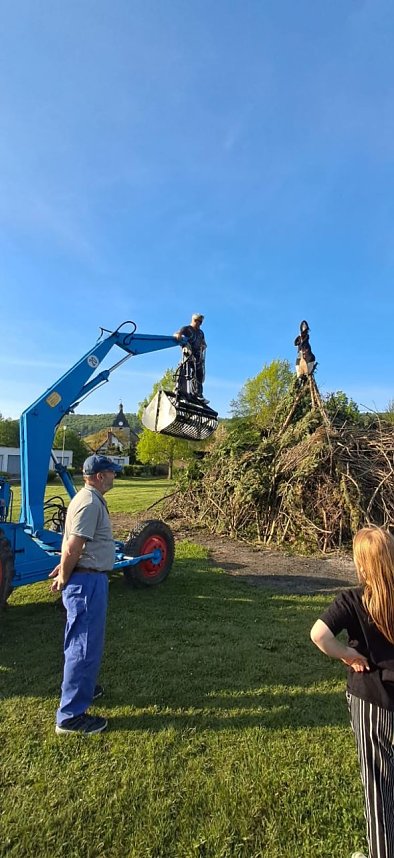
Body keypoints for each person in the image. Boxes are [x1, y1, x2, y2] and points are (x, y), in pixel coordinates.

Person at [310, 527, 394, 858]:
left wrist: (347, 653)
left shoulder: (352, 600)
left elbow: (319, 635)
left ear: (362, 564)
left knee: (378, 783)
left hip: (373, 702)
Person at [50, 454, 122, 735]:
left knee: (82, 644)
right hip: (87, 583)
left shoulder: (85, 499)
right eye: (112, 473)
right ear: (100, 476)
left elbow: (72, 546)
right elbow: (73, 547)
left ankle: (84, 689)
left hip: (87, 578)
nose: (115, 476)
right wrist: (65, 573)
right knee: (83, 646)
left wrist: (66, 566)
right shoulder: (90, 503)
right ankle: (70, 717)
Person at [173, 313, 208, 403]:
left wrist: (204, 345)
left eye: (201, 322)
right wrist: (178, 336)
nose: (200, 324)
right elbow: (177, 334)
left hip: (198, 355)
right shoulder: (187, 329)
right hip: (188, 354)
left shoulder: (200, 332)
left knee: (199, 374)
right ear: (194, 320)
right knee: (186, 371)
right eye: (199, 321)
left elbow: (203, 342)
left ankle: (198, 394)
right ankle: (180, 391)